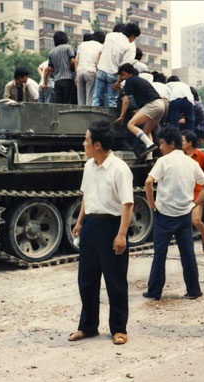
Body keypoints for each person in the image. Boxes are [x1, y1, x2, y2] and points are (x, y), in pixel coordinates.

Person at [69, 120, 134, 345]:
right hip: (90, 227)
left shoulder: (119, 169)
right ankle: (87, 326)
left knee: (115, 281)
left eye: (86, 140)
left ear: (97, 144)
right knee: (87, 280)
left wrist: (122, 234)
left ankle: (118, 328)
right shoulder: (89, 166)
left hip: (111, 227)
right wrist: (80, 222)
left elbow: (127, 204)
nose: (83, 143)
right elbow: (87, 195)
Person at [142, 126, 204, 300]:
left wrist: (152, 205)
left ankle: (155, 291)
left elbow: (148, 182)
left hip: (164, 215)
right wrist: (194, 204)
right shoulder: (192, 163)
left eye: (163, 144)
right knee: (187, 253)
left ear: (172, 144)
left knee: (160, 254)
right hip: (184, 215)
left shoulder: (164, 161)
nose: (161, 147)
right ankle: (194, 290)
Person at [114, 63, 164, 158]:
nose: (123, 77)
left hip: (152, 105)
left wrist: (122, 116)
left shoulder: (130, 80)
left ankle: (150, 145)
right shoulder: (139, 80)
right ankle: (149, 158)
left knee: (131, 124)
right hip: (160, 105)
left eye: (123, 75)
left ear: (127, 73)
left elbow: (125, 101)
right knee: (146, 131)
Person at [92, 23, 140, 107]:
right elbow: (125, 66)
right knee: (112, 101)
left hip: (101, 70)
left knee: (96, 97)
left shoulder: (110, 35)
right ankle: (111, 119)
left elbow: (101, 52)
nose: (134, 39)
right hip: (114, 74)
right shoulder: (131, 46)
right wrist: (119, 81)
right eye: (135, 37)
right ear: (132, 35)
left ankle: (92, 118)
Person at [182, 130, 204, 253]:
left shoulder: (201, 156)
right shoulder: (180, 156)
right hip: (184, 192)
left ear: (190, 142)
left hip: (198, 192)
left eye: (182, 141)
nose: (180, 143)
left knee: (195, 220)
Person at [42, 31, 75, 104]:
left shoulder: (51, 52)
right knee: (69, 102)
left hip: (57, 81)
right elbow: (73, 61)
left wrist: (58, 68)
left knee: (59, 103)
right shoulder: (68, 48)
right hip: (68, 79)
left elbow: (50, 68)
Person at [75, 33, 103, 106]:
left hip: (80, 71)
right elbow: (99, 62)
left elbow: (76, 60)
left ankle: (80, 115)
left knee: (80, 99)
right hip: (91, 71)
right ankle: (87, 116)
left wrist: (76, 76)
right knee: (89, 97)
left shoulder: (83, 44)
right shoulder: (101, 46)